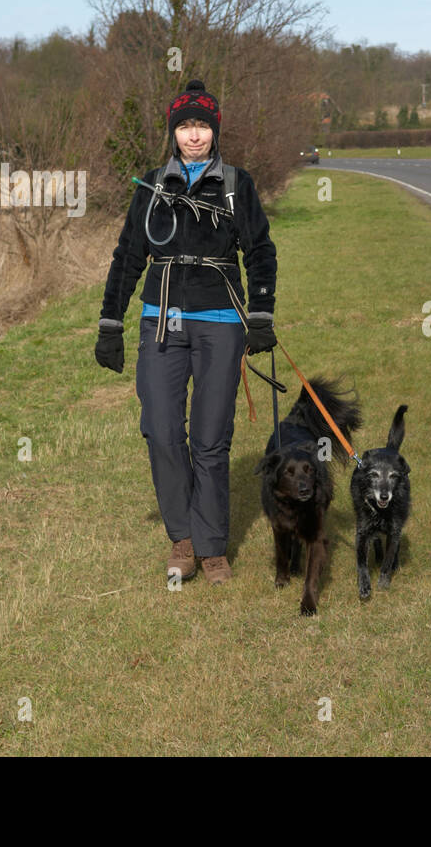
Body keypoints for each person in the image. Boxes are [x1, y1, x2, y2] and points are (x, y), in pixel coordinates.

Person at [94, 79, 277, 585]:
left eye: (202, 126)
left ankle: (213, 547)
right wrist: (111, 322)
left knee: (212, 438)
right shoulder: (153, 187)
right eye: (185, 126)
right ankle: (183, 539)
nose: (194, 136)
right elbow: (129, 256)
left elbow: (260, 251)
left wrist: (260, 314)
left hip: (220, 322)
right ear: (173, 133)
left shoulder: (237, 184)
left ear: (214, 131)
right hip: (162, 322)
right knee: (161, 430)